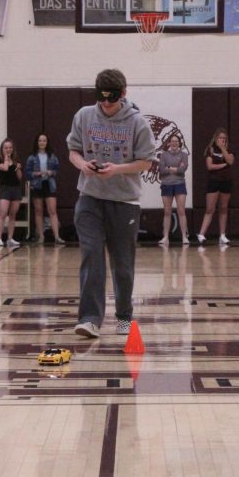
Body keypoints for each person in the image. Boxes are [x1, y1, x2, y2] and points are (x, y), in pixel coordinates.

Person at [67, 68, 156, 338]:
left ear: (123, 94)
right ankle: (90, 318)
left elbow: (146, 162)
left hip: (124, 201)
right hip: (90, 199)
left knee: (122, 263)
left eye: (112, 99)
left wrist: (116, 169)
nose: (106, 104)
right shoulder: (83, 116)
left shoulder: (138, 123)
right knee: (92, 254)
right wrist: (83, 164)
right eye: (102, 98)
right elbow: (73, 151)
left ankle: (124, 316)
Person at [197, 127, 235, 246]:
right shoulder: (211, 149)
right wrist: (223, 165)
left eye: (224, 138)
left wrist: (224, 150)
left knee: (223, 208)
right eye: (220, 138)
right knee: (210, 209)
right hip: (214, 181)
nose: (222, 140)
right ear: (216, 138)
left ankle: (222, 235)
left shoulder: (228, 149)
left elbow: (231, 161)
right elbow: (210, 166)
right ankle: (202, 234)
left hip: (226, 181)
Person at [25, 133, 65, 244]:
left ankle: (57, 236)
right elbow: (27, 173)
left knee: (52, 211)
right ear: (37, 142)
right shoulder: (32, 157)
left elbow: (57, 171)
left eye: (44, 141)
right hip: (37, 185)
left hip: (49, 185)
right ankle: (41, 236)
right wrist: (36, 173)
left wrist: (51, 172)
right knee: (38, 211)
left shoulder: (52, 156)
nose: (42, 143)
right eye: (40, 141)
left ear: (47, 142)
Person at [157, 133, 189, 246]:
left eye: (176, 141)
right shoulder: (164, 155)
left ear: (179, 143)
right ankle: (165, 237)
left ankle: (184, 237)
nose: (174, 143)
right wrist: (174, 168)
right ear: (169, 143)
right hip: (166, 184)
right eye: (172, 141)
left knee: (181, 211)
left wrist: (169, 168)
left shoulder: (184, 155)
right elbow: (161, 169)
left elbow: (182, 169)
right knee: (167, 211)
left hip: (180, 184)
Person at [0, 137, 23, 247]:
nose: (8, 149)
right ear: (2, 149)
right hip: (5, 189)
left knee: (12, 215)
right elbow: (5, 168)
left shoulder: (16, 162)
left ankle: (10, 238)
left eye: (10, 148)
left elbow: (19, 177)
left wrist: (18, 168)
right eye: (6, 148)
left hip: (15, 189)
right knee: (3, 213)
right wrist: (6, 158)